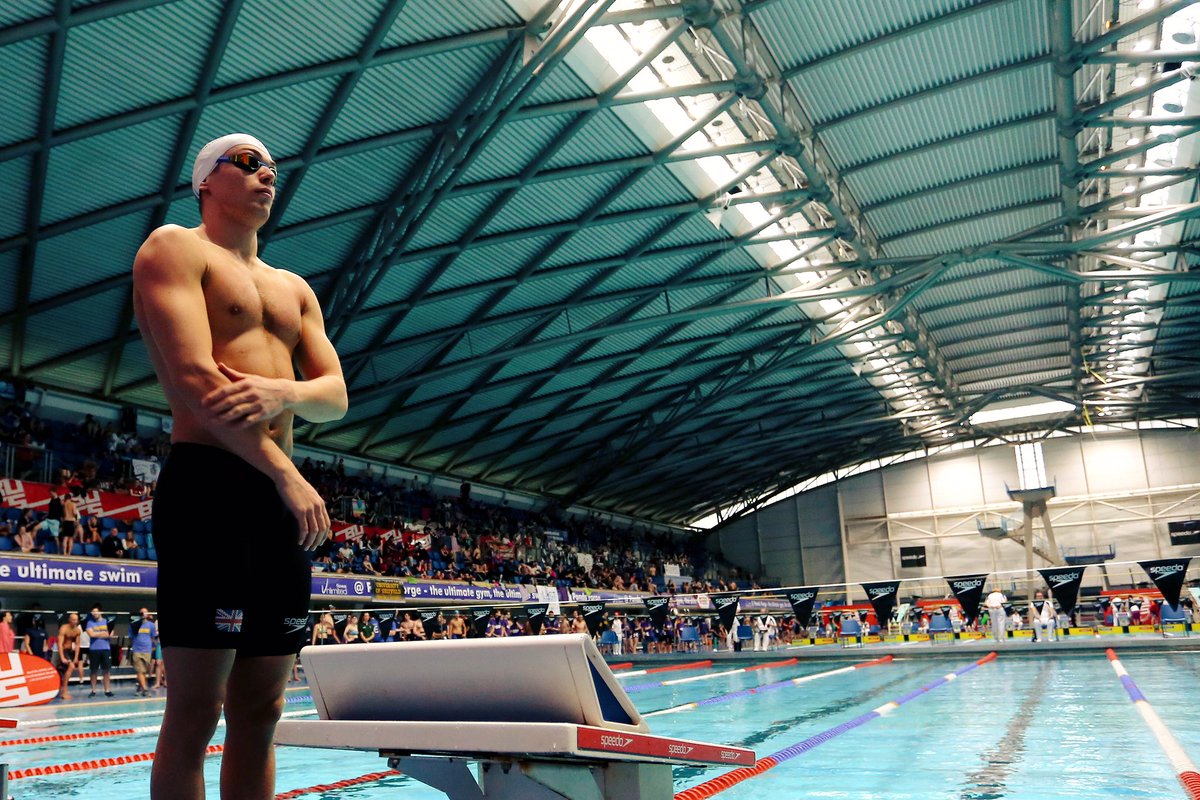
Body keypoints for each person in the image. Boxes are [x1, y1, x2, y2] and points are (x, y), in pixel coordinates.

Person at [133, 132, 347, 800]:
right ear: (206, 180)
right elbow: (194, 379)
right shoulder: (174, 248)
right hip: (210, 487)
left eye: (272, 170)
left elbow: (334, 395)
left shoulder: (293, 289)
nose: (265, 176)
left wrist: (285, 392)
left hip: (277, 505)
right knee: (195, 711)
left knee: (263, 711)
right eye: (248, 164)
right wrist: (285, 471)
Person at [85, 603, 114, 697]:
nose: (94, 614)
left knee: (106, 671)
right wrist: (103, 633)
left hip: (106, 649)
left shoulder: (107, 622)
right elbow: (91, 634)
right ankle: (93, 690)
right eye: (92, 612)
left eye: (95, 612)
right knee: (93, 671)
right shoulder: (90, 622)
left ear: (100, 612)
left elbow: (110, 635)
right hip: (94, 650)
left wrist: (97, 633)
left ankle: (107, 690)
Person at [131, 608, 159, 695]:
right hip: (137, 650)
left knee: (144, 671)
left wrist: (155, 648)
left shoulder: (151, 625)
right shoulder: (133, 625)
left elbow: (153, 637)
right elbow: (131, 636)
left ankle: (140, 687)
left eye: (145, 613)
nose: (143, 614)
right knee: (140, 670)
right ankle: (145, 689)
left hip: (147, 650)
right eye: (142, 613)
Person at [57, 612, 83, 699]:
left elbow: (77, 644)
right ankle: (64, 691)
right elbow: (59, 644)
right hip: (63, 650)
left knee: (67, 671)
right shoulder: (64, 628)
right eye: (73, 619)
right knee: (71, 666)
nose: (74, 621)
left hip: (70, 652)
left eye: (76, 620)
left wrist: (76, 657)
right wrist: (62, 657)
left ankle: (62, 691)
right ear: (69, 620)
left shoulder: (77, 631)